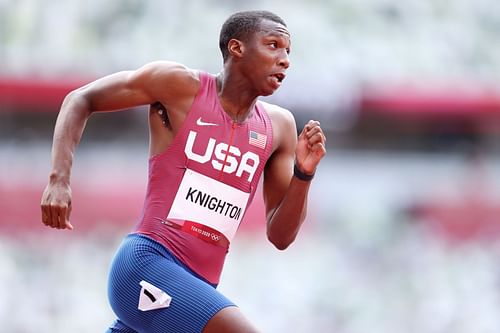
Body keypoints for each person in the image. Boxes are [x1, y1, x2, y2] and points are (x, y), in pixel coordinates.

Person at [40, 10, 326, 333]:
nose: (285, 59)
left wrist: (304, 174)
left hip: (194, 287)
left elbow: (281, 236)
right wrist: (58, 179)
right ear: (237, 48)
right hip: (147, 265)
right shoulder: (179, 87)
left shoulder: (279, 127)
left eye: (288, 51)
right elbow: (81, 98)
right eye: (273, 45)